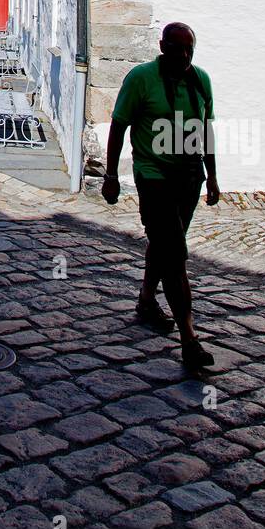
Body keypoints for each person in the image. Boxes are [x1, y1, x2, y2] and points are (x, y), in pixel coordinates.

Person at [103, 21, 220, 371]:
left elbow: (206, 129)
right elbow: (119, 125)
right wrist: (111, 175)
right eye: (176, 48)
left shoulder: (201, 80)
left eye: (189, 49)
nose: (183, 55)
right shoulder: (141, 78)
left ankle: (145, 300)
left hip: (188, 178)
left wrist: (212, 177)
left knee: (164, 241)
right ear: (162, 45)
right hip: (154, 177)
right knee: (174, 254)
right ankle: (189, 339)